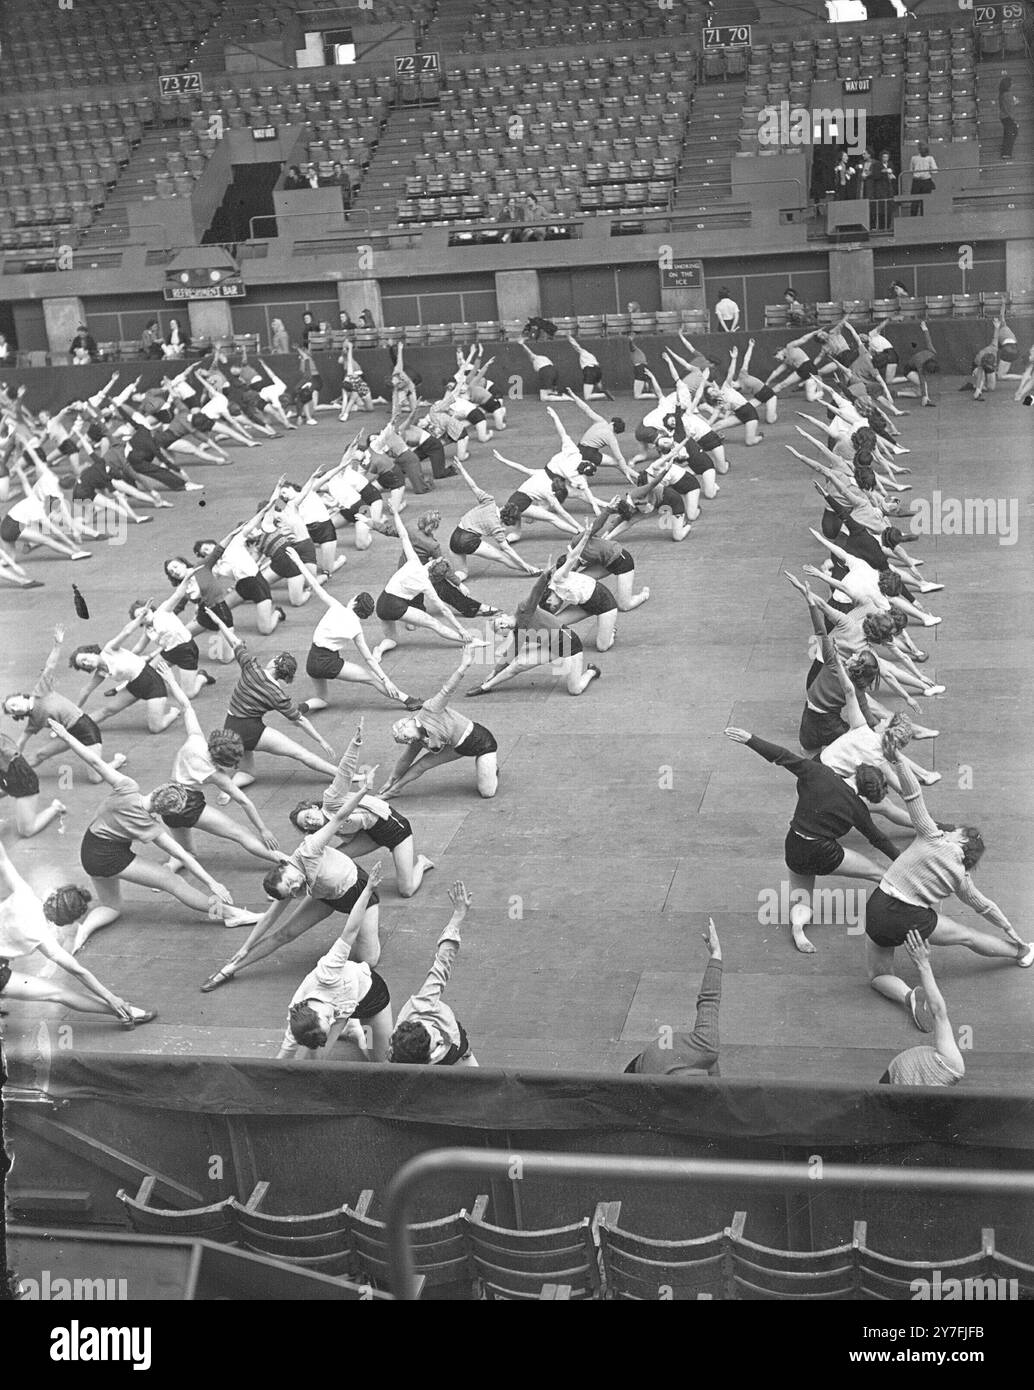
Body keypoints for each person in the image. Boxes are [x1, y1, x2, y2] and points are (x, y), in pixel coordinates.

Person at [49, 720, 259, 953]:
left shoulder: (127, 786)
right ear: (165, 812)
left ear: (159, 789)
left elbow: (95, 761)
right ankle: (230, 914)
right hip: (108, 856)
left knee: (112, 906)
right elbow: (184, 856)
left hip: (89, 847)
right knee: (173, 882)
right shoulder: (150, 826)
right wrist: (212, 883)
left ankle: (83, 931)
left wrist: (67, 737)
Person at [864, 747, 1032, 1029]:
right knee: (967, 936)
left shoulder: (932, 836)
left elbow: (913, 794)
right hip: (912, 919)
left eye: (956, 831)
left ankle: (908, 996)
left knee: (876, 976)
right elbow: (986, 907)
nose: (950, 829)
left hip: (879, 905)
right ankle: (1022, 952)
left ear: (962, 841)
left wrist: (898, 760)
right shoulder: (962, 879)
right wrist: (1011, 931)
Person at [723, 727, 901, 953]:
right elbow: (879, 839)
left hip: (795, 845)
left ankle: (798, 926)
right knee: (880, 874)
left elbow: (781, 756)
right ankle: (899, 910)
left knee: (803, 901)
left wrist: (751, 739)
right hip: (824, 852)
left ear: (856, 772)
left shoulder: (819, 773)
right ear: (867, 794)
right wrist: (903, 861)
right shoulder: (858, 809)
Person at [202, 782, 383, 994]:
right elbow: (270, 918)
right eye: (291, 891)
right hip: (329, 896)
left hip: (360, 892)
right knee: (285, 934)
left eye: (290, 882)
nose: (296, 886)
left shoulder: (310, 849)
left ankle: (371, 924)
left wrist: (364, 790)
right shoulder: (291, 887)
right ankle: (228, 969)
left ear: (284, 866)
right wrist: (244, 947)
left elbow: (339, 817)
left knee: (369, 961)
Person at [0, 834, 156, 1027]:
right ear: (64, 922)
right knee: (59, 993)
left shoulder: (24, 894)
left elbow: (3, 860)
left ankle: (127, 1011)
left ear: (53, 894)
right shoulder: (43, 936)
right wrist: (110, 997)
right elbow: (78, 971)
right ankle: (128, 1011)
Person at [151, 659, 286, 870]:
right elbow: (244, 802)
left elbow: (186, 706)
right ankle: (283, 860)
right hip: (188, 804)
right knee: (239, 833)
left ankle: (171, 867)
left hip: (168, 801)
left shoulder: (195, 740)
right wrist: (263, 830)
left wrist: (170, 679)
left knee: (187, 851)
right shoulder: (215, 774)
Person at [289, 719, 434, 898]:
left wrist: (355, 743)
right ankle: (300, 886)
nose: (310, 821)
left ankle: (422, 863)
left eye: (308, 815)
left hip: (393, 829)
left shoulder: (331, 800)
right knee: (333, 856)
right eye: (307, 824)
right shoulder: (322, 833)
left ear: (313, 807)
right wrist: (287, 879)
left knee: (406, 890)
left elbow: (344, 773)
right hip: (369, 836)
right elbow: (306, 856)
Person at [207, 610, 338, 786]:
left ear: (275, 663)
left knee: (248, 772)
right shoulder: (278, 695)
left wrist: (217, 619)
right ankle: (341, 774)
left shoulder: (251, 667)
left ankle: (229, 787)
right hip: (252, 731)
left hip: (230, 726)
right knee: (300, 753)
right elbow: (300, 720)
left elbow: (234, 641)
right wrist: (321, 741)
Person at [275, 864, 391, 1061]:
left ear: (315, 1014)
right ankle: (352, 1027)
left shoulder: (328, 971)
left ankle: (359, 1032)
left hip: (370, 997)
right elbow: (283, 1055)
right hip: (344, 1007)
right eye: (330, 1020)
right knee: (316, 1059)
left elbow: (351, 930)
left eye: (327, 1018)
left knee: (379, 1061)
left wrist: (368, 889)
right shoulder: (298, 1019)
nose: (332, 1017)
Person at [286, 548, 417, 712]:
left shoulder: (336, 606)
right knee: (371, 678)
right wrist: (386, 679)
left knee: (322, 699)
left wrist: (298, 560)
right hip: (328, 662)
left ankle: (302, 707)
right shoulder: (356, 628)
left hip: (312, 661)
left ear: (354, 601)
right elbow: (369, 659)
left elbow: (313, 583)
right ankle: (407, 700)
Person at [3, 624, 128, 781]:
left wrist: (57, 645)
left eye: (14, 703)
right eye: (12, 710)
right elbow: (21, 741)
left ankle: (117, 761)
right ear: (16, 715)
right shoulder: (33, 722)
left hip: (86, 730)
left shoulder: (41, 691)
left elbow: (50, 666)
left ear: (21, 697)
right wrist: (11, 761)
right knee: (40, 754)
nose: (15, 708)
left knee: (96, 778)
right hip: (68, 735)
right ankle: (12, 775)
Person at [381, 641, 499, 800]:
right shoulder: (416, 738)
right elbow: (406, 760)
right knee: (422, 765)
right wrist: (391, 781)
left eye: (405, 737)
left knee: (487, 793)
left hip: (480, 741)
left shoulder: (430, 709)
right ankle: (394, 791)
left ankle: (492, 767)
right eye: (404, 741)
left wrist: (464, 665)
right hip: (457, 747)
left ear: (407, 723)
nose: (408, 741)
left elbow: (448, 689)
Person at [388, 880, 478, 1065]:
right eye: (434, 1038)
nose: (437, 1036)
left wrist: (458, 915)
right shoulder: (399, 1057)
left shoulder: (423, 1004)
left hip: (454, 1046)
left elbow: (442, 963)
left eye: (431, 1030)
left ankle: (465, 1053)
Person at [372, 502, 477, 658]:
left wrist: (392, 514)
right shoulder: (427, 578)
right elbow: (444, 609)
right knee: (434, 624)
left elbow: (400, 533)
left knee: (391, 640)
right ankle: (470, 641)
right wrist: (461, 628)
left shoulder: (412, 554)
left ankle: (379, 650)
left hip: (383, 602)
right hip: (398, 602)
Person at [624, 919, 722, 1076]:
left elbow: (708, 1002)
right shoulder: (706, 1047)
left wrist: (716, 956)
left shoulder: (705, 1054)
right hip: (650, 1067)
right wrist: (716, 957)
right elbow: (709, 1000)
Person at [878, 933, 964, 1086]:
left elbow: (939, 1012)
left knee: (877, 977)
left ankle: (906, 995)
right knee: (877, 978)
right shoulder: (952, 1066)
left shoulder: (954, 1067)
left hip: (898, 1073)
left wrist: (923, 964)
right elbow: (938, 1013)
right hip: (897, 1078)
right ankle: (905, 994)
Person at [448, 458, 541, 576]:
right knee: (502, 557)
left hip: (455, 536)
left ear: (504, 507)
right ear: (507, 522)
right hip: (468, 541)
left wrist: (462, 469)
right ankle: (531, 570)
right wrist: (524, 564)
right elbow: (507, 550)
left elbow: (473, 486)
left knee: (462, 573)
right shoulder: (497, 528)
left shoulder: (489, 501)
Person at [908, 143, 937, 215]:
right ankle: (924, 217)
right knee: (925, 201)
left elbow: (911, 170)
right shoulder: (930, 158)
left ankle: (913, 218)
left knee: (914, 201)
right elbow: (934, 170)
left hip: (916, 181)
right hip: (926, 180)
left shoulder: (913, 158)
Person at [872, 151, 896, 231]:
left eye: (887, 157)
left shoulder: (890, 164)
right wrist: (884, 171)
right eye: (884, 157)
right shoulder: (877, 165)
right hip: (880, 189)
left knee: (889, 208)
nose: (885, 159)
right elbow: (875, 175)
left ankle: (888, 226)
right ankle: (881, 227)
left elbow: (892, 173)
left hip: (889, 189)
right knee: (881, 209)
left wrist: (891, 175)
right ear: (881, 157)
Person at [999, 75, 1018, 160]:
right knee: (1011, 134)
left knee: (1009, 134)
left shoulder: (1002, 94)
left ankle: (1005, 152)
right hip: (1008, 117)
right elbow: (1009, 108)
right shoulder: (1008, 94)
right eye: (1011, 83)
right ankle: (1006, 153)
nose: (1013, 85)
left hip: (1004, 117)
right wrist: (1014, 119)